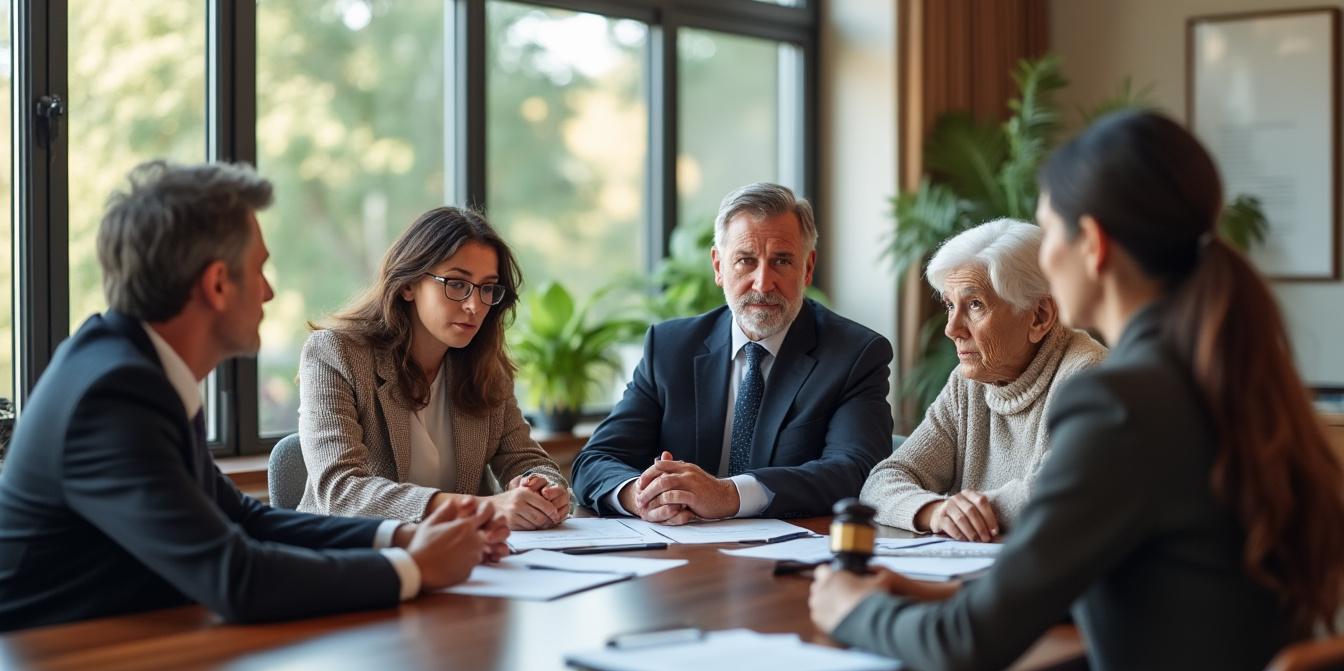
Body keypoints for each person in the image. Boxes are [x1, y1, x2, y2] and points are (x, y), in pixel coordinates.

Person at [810, 111, 1344, 671]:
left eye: (1050, 229)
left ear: (1091, 244)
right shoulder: (1218, 377)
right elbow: (1099, 578)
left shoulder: (1120, 402)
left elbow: (967, 646)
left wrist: (851, 609)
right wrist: (919, 592)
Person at [0, 161, 506, 632]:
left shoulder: (137, 369)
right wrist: (412, 568)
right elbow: (235, 577)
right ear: (218, 284)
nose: (268, 292)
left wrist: (399, 536)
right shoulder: (113, 395)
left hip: (120, 655)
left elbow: (243, 519)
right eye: (259, 268)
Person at [571, 183, 893, 522]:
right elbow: (595, 459)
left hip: (792, 559)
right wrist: (641, 495)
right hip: (680, 553)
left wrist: (730, 495)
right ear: (718, 266)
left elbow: (856, 472)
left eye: (781, 261)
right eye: (745, 261)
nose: (763, 283)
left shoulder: (855, 354)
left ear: (808, 268)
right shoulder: (669, 347)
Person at [298, 207, 570, 530]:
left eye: (487, 288)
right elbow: (341, 491)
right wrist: (483, 508)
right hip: (351, 562)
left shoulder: (486, 367)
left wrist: (543, 488)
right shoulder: (335, 353)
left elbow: (526, 459)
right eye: (457, 284)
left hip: (461, 562)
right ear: (408, 284)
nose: (474, 305)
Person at [861, 219, 1105, 541]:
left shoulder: (1090, 378)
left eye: (975, 304)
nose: (951, 329)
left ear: (1040, 316)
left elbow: (1058, 495)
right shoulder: (967, 384)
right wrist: (935, 511)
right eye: (950, 305)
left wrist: (967, 511)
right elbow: (882, 481)